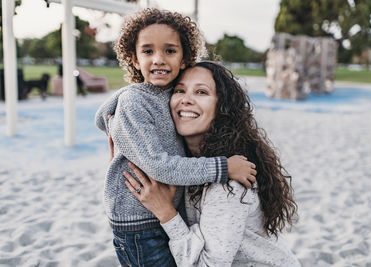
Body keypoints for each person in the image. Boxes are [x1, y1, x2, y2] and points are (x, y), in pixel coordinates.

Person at [94, 9, 256, 267]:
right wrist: (223, 167)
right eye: (147, 51)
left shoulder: (170, 96)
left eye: (169, 51)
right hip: (140, 225)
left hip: (161, 215)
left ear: (184, 59)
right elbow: (160, 165)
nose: (159, 59)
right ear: (134, 59)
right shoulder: (133, 101)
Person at [123, 61, 301, 266]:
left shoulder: (229, 183)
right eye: (180, 90)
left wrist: (166, 213)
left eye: (201, 92)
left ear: (222, 107)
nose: (186, 100)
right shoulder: (181, 165)